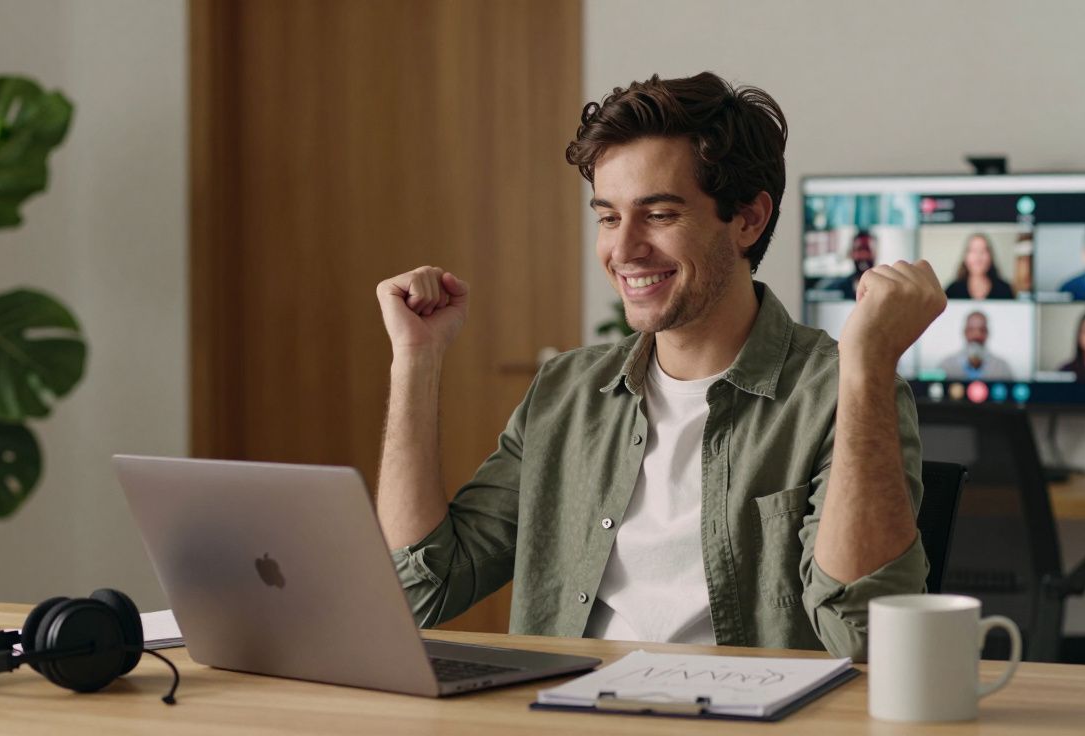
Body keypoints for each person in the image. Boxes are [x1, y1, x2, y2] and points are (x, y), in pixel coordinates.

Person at [374, 72, 944, 660]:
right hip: (566, 713)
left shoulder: (835, 391)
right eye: (608, 217)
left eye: (660, 214)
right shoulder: (566, 391)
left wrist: (868, 369)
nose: (623, 251)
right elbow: (419, 592)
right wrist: (416, 360)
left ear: (748, 219)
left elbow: (865, 637)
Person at [937, 311, 1014, 381]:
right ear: (965, 332)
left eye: (982, 330)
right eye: (971, 330)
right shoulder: (946, 366)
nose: (976, 335)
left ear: (987, 333)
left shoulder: (1002, 368)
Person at [943, 233, 1014, 300]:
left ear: (990, 256)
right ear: (965, 257)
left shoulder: (1004, 290)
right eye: (973, 251)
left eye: (983, 251)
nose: (978, 257)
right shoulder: (952, 291)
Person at [831, 229, 876, 299]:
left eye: (867, 249)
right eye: (859, 249)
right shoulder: (836, 287)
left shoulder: (884, 289)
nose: (863, 255)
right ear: (851, 253)